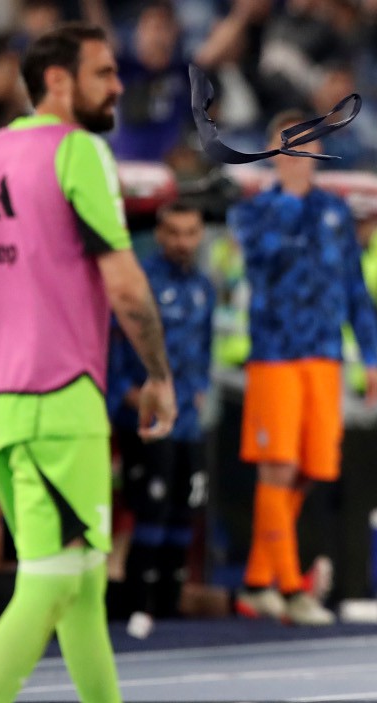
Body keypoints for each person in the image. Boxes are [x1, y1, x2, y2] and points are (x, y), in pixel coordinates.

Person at [0, 23, 206, 703]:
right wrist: (157, 376)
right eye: (104, 73)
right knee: (49, 585)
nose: (118, 87)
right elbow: (124, 283)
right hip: (60, 401)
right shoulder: (79, 154)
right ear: (56, 82)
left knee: (78, 592)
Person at [227, 109, 377, 626]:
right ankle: (293, 590)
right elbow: (259, 263)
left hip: (324, 355)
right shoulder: (255, 211)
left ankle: (256, 583)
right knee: (278, 467)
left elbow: (355, 288)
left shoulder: (337, 213)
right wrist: (291, 202)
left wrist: (370, 353)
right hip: (274, 353)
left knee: (311, 471)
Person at [107, 200, 214, 620]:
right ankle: (137, 604)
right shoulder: (140, 282)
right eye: (174, 233)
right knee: (149, 506)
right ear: (160, 233)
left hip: (188, 419)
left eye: (191, 233)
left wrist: (202, 387)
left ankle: (170, 607)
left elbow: (205, 343)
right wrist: (126, 394)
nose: (183, 242)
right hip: (144, 418)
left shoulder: (203, 285)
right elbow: (114, 347)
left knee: (185, 505)